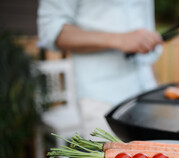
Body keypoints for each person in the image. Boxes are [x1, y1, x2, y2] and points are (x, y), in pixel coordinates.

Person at [37, 0, 163, 138]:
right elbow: (50, 30)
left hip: (147, 92)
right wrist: (120, 39)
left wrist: (155, 84)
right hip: (103, 100)